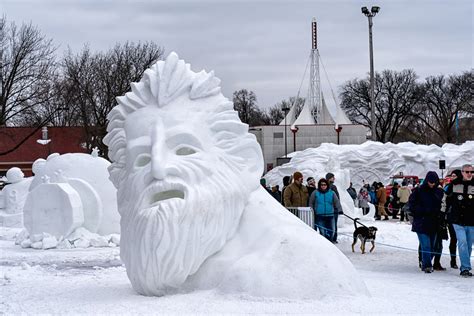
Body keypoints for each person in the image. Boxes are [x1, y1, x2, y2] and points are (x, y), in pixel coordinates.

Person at [409, 171, 444, 273]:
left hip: (434, 222)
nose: (432, 184)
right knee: (426, 245)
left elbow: (442, 205)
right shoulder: (418, 191)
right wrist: (422, 210)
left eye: (434, 182)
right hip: (421, 221)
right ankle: (427, 265)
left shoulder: (439, 191)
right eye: (430, 182)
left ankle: (425, 261)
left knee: (433, 246)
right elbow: (412, 204)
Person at [443, 164, 474, 277]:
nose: (470, 174)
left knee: (469, 245)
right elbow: (445, 199)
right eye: (467, 172)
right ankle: (465, 268)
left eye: (472, 172)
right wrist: (443, 214)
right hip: (457, 220)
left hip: (471, 221)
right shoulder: (454, 185)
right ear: (462, 172)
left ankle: (464, 265)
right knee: (462, 242)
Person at [443, 169, 462, 268]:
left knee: (464, 240)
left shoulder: (464, 187)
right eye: (451, 176)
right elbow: (444, 201)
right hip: (451, 217)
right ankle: (453, 260)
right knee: (454, 239)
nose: (452, 177)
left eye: (454, 176)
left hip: (463, 217)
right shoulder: (448, 187)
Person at [325, 173, 342, 243]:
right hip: (333, 209)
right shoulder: (333, 187)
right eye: (333, 177)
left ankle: (328, 237)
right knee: (333, 224)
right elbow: (336, 199)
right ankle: (333, 238)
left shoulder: (323, 186)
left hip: (326, 209)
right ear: (329, 178)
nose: (334, 179)